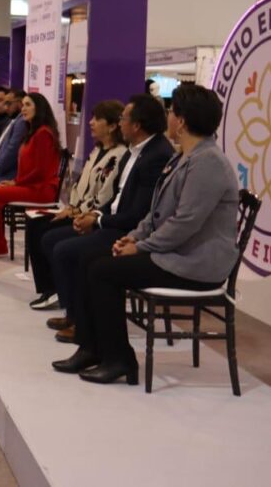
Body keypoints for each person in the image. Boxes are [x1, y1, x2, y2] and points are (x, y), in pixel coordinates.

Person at [53, 85, 239, 385]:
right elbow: (156, 213)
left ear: (182, 120)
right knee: (90, 260)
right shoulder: (185, 157)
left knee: (102, 271)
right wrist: (135, 238)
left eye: (172, 111)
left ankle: (118, 358)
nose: (168, 117)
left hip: (195, 264)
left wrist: (142, 247)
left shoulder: (208, 162)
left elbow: (184, 223)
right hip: (177, 253)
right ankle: (91, 348)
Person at [41, 95, 173, 343]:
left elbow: (139, 214)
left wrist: (98, 221)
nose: (120, 123)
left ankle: (84, 322)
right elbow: (115, 198)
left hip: (130, 231)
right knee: (53, 239)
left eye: (123, 118)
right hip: (116, 222)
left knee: (72, 252)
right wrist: (95, 214)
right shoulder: (135, 151)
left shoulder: (156, 155)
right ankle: (75, 314)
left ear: (137, 125)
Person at [27, 100, 126, 310]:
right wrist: (71, 207)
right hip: (76, 210)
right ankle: (49, 287)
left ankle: (61, 290)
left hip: (92, 216)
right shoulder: (96, 151)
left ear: (111, 126)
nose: (91, 122)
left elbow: (105, 195)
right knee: (35, 224)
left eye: (97, 119)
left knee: (48, 234)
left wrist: (78, 211)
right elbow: (79, 185)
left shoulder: (118, 156)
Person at [0, 92, 61, 257]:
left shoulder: (43, 133)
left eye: (28, 105)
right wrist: (16, 181)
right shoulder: (34, 132)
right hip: (30, 185)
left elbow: (40, 170)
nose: (23, 109)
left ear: (39, 108)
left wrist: (16, 182)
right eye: (22, 105)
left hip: (41, 189)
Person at [0, 88, 26, 187]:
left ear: (19, 103)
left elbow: (12, 150)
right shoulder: (12, 121)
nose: (6, 108)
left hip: (7, 174)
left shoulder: (21, 122)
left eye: (8, 103)